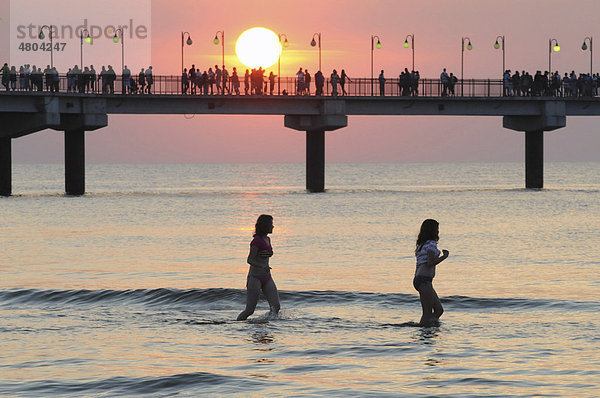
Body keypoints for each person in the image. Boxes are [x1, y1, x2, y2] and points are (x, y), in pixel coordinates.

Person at [237, 214, 281, 321]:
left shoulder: (268, 239)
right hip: (255, 277)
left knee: (276, 307)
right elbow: (250, 260)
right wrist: (261, 266)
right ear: (265, 226)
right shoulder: (256, 241)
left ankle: (267, 325)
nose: (273, 227)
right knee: (250, 310)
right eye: (271, 224)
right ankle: (236, 325)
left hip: (267, 277)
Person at [413, 219, 449, 326]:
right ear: (433, 230)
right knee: (427, 312)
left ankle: (428, 328)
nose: (438, 232)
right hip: (424, 280)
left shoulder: (421, 244)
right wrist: (444, 256)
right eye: (437, 229)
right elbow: (430, 263)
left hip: (420, 279)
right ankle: (425, 334)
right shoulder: (431, 244)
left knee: (439, 310)